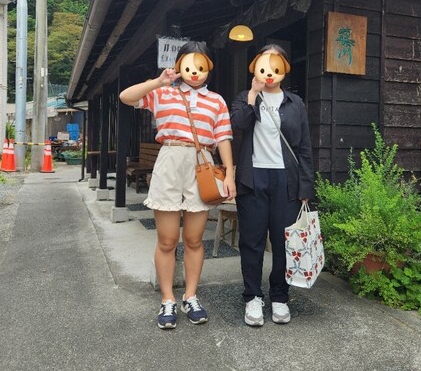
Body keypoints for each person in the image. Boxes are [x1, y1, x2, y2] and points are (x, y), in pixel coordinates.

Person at [119, 41, 236, 330]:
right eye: (189, 65)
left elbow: (223, 138)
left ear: (209, 67)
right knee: (167, 240)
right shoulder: (163, 92)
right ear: (179, 65)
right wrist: (158, 81)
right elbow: (125, 97)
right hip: (170, 159)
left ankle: (191, 296)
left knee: (194, 239)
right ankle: (168, 298)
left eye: (201, 66)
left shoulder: (217, 101)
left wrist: (230, 175)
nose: (195, 72)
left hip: (202, 165)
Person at [231, 44, 314, 326]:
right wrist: (252, 94)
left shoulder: (295, 103)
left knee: (283, 241)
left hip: (286, 180)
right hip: (253, 178)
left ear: (284, 69)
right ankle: (253, 297)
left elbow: (304, 147)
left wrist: (305, 187)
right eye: (263, 65)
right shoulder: (245, 97)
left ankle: (279, 296)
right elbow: (239, 124)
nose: (269, 72)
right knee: (252, 241)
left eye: (275, 66)